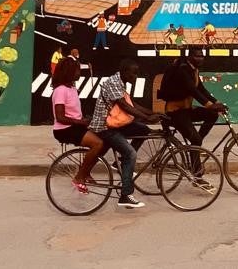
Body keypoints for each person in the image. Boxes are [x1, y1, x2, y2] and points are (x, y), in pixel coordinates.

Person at [89, 59, 163, 208]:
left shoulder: (120, 82)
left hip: (115, 124)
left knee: (143, 130)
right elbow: (124, 106)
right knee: (131, 154)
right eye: (133, 73)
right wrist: (147, 117)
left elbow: (131, 104)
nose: (135, 77)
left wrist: (154, 113)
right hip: (105, 127)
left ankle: (120, 163)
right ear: (124, 72)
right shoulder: (113, 82)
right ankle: (125, 195)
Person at [158, 48, 228, 185]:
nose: (200, 59)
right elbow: (192, 90)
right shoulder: (183, 70)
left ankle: (194, 147)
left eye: (202, 56)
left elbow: (201, 89)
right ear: (190, 57)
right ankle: (196, 175)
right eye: (197, 56)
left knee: (212, 116)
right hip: (175, 112)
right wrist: (209, 104)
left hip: (186, 110)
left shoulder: (194, 70)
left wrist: (217, 103)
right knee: (195, 138)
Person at [51, 58, 104, 192]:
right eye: (77, 70)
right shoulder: (60, 90)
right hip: (64, 129)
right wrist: (81, 122)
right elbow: (60, 117)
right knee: (97, 144)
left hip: (74, 126)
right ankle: (80, 177)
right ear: (68, 72)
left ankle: (85, 171)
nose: (79, 73)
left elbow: (74, 112)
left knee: (106, 138)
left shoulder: (72, 88)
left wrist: (85, 119)